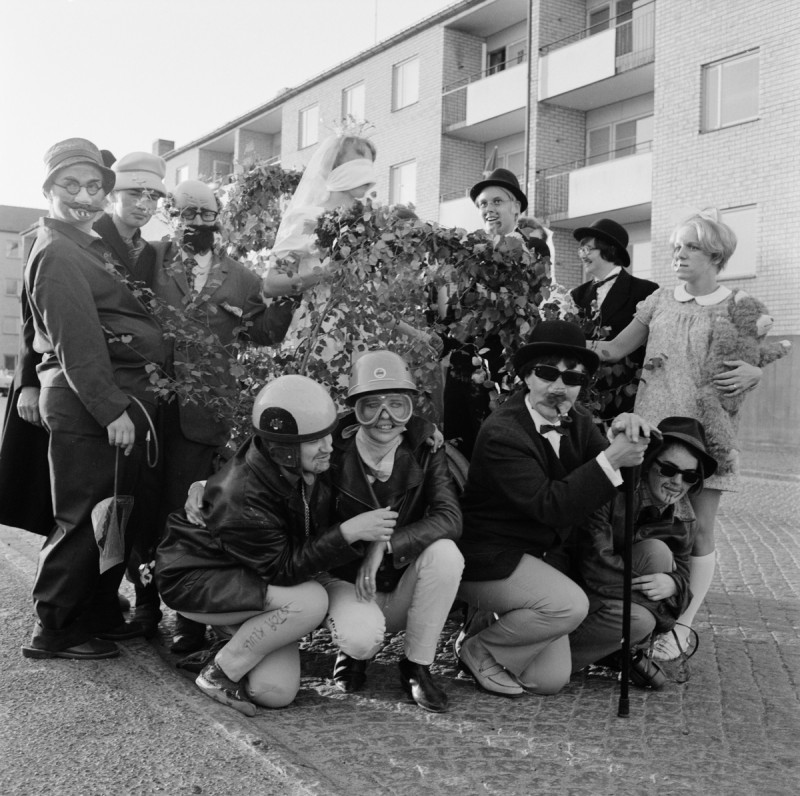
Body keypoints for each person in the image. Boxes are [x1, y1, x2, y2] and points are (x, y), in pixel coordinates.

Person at [155, 375, 400, 715]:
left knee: (275, 693)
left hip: (252, 575)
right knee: (310, 601)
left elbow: (372, 430)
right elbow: (283, 570)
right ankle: (221, 671)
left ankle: (232, 641)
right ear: (284, 449)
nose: (329, 446)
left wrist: (422, 428)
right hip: (199, 578)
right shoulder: (244, 496)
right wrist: (346, 533)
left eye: (327, 435)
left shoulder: (301, 457)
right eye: (316, 441)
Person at [591, 210, 771, 659]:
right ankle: (637, 617)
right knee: (640, 522)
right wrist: (554, 340)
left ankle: (680, 628)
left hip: (707, 436)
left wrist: (757, 371)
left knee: (701, 531)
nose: (679, 256)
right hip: (650, 431)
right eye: (675, 248)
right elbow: (613, 350)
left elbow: (756, 354)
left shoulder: (740, 305)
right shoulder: (658, 301)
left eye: (689, 248)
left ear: (715, 254)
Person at [19, 138, 165, 660]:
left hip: (112, 401)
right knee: (83, 517)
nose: (84, 194)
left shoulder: (83, 242)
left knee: (112, 517)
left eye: (94, 185)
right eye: (70, 185)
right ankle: (55, 627)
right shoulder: (57, 252)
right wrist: (112, 409)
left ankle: (97, 612)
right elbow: (75, 343)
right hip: (90, 407)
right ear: (49, 189)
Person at [455, 320, 653, 697]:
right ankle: (478, 648)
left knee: (547, 680)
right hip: (493, 558)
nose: (559, 387)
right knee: (568, 606)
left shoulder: (577, 420)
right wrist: (611, 459)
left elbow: (614, 482)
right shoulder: (502, 431)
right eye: (547, 373)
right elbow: (552, 506)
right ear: (527, 377)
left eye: (572, 379)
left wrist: (627, 436)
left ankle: (507, 631)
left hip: (549, 559)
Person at [149, 179, 296, 654]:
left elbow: (266, 334)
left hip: (204, 415)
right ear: (172, 216)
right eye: (186, 213)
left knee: (190, 511)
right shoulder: (149, 259)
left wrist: (289, 292)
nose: (196, 221)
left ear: (219, 218)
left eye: (205, 213)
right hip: (148, 406)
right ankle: (144, 602)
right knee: (142, 505)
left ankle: (188, 620)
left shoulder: (241, 277)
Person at [320, 350, 463, 713]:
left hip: (397, 575)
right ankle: (353, 652)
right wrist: (202, 484)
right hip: (345, 578)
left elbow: (450, 517)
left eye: (397, 405)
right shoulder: (329, 451)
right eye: (371, 406)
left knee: (446, 554)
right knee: (360, 639)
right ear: (353, 409)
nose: (385, 418)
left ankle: (417, 665)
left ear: (411, 407)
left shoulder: (426, 449)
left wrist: (384, 545)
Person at [569, 416, 718, 684]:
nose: (677, 482)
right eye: (669, 470)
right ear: (649, 463)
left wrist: (673, 584)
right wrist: (663, 613)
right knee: (656, 557)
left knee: (640, 619)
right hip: (574, 591)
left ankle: (601, 651)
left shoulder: (684, 518)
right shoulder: (613, 490)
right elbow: (594, 565)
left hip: (616, 601)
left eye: (690, 476)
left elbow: (685, 586)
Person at [440, 168, 545, 458]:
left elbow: (522, 301)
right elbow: (453, 314)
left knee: (499, 446)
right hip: (464, 365)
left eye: (496, 202)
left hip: (504, 364)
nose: (488, 209)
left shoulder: (531, 248)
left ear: (516, 206)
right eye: (483, 204)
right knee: (460, 449)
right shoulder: (468, 252)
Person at [263, 134, 377, 298]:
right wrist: (325, 272)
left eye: (370, 163)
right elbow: (271, 285)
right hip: (319, 319)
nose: (367, 174)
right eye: (358, 163)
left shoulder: (367, 223)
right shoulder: (306, 217)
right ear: (331, 166)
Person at [570, 218, 658, 419]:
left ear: (609, 250)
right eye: (581, 249)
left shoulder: (646, 291)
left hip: (627, 398)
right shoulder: (576, 295)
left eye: (588, 249)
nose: (582, 255)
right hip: (583, 398)